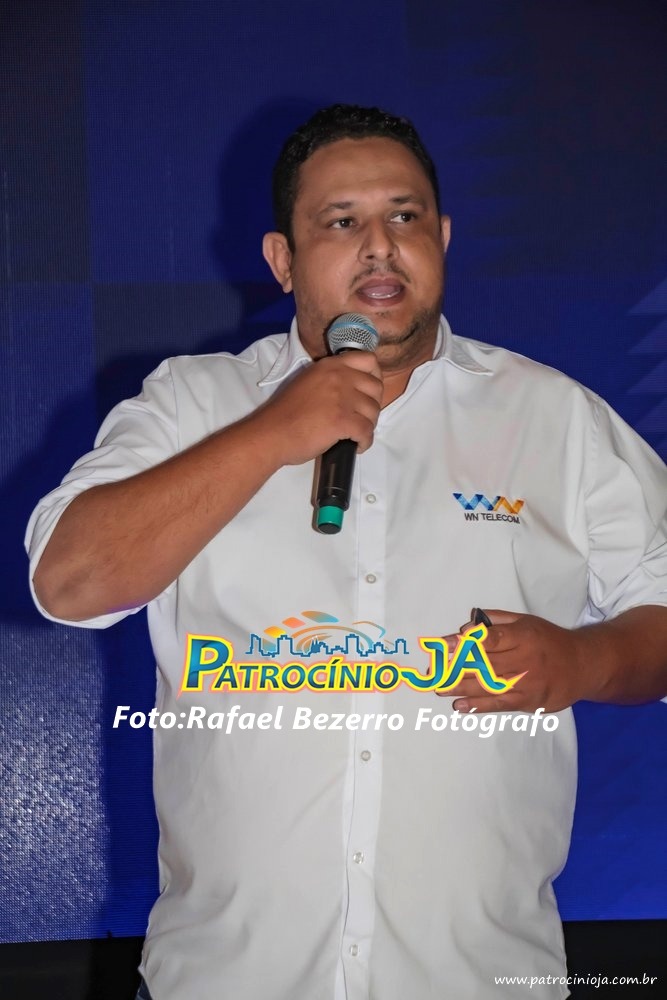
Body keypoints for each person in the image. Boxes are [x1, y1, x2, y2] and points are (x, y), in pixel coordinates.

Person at [27, 105, 667, 999]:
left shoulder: (553, 417)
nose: (379, 246)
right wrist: (271, 434)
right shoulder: (191, 404)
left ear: (442, 238)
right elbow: (70, 581)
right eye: (339, 222)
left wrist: (582, 659)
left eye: (404, 216)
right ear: (282, 260)